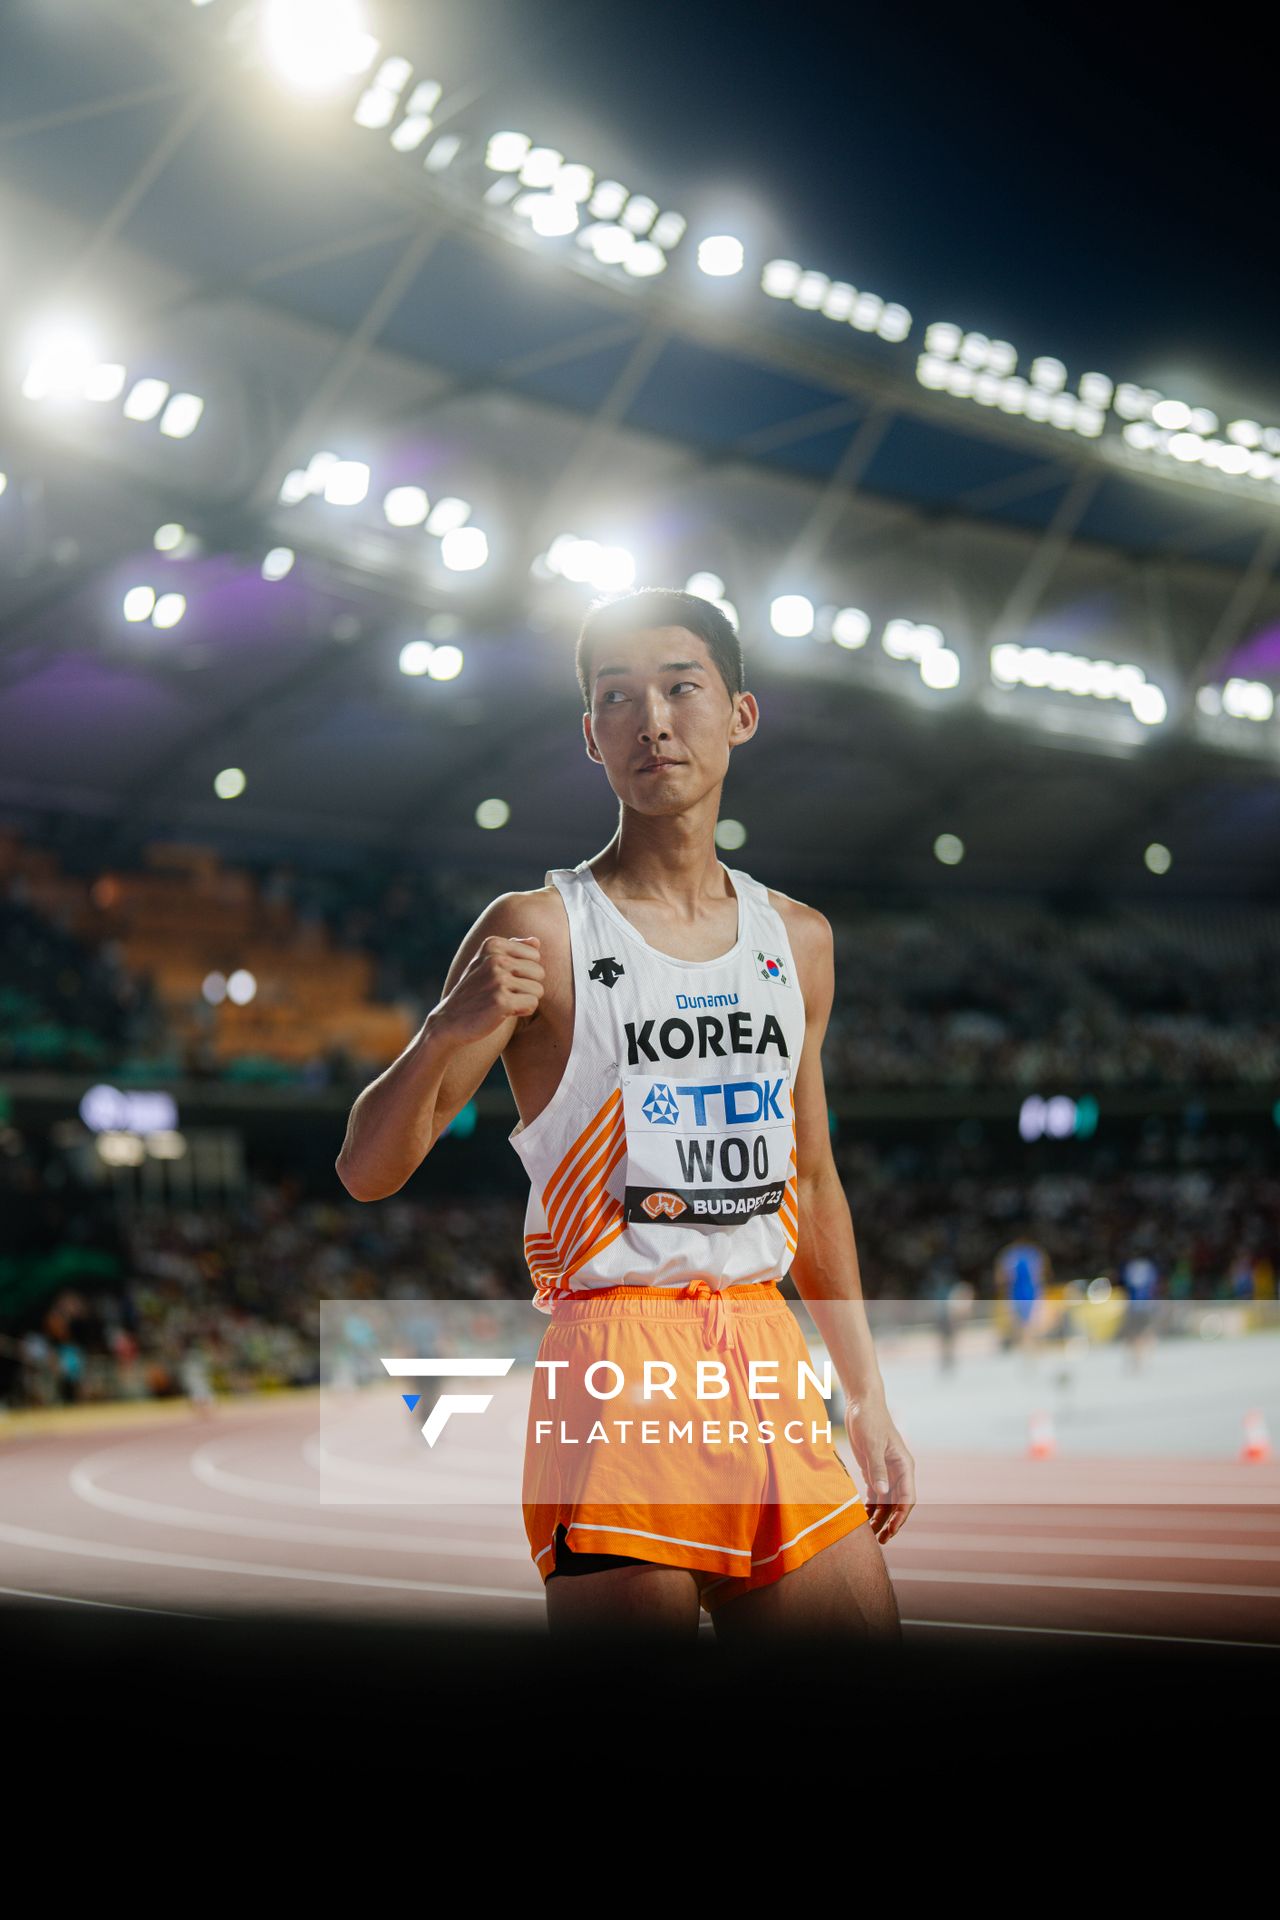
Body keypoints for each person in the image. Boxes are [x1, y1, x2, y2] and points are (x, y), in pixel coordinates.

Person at [336, 587, 911, 1643]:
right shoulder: (538, 931)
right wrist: (441, 1027)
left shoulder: (798, 940)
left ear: (739, 713)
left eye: (680, 687)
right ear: (591, 736)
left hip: (765, 1351)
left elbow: (814, 1179)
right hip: (616, 1363)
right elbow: (368, 1170)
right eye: (617, 697)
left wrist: (864, 1395)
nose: (651, 719)